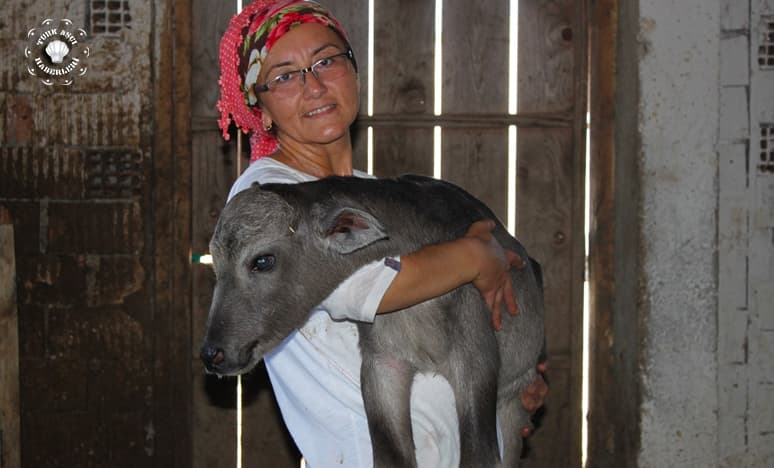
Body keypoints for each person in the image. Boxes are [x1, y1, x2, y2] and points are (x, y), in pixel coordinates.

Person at [215, 1, 548, 466]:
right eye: (286, 76)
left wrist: (514, 373)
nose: (313, 86)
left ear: (354, 71)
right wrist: (475, 256)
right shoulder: (268, 199)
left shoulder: (385, 197)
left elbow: (455, 318)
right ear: (261, 108)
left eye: (327, 61)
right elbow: (377, 287)